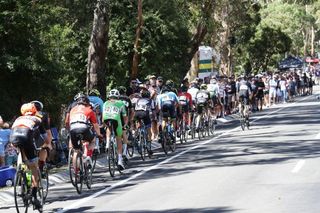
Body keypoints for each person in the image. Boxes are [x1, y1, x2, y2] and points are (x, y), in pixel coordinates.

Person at [10, 103, 46, 209]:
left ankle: (24, 176)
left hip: (14, 139)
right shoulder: (37, 119)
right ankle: (34, 195)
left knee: (25, 162)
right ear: (34, 111)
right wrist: (45, 145)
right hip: (27, 139)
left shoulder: (18, 119)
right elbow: (42, 137)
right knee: (34, 167)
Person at [65, 93, 103, 171]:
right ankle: (87, 156)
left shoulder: (72, 109)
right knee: (92, 141)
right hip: (84, 128)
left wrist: (69, 130)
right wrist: (99, 135)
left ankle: (76, 172)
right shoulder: (89, 110)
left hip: (73, 129)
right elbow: (95, 125)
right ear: (87, 103)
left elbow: (67, 121)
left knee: (76, 150)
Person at [103, 89, 128, 170]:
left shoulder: (105, 103)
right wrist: (125, 125)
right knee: (118, 140)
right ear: (117, 97)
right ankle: (120, 161)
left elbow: (103, 117)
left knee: (108, 127)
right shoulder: (121, 103)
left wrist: (104, 124)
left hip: (106, 119)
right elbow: (124, 116)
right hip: (116, 120)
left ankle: (107, 143)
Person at [31, 100, 53, 176]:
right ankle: (41, 167)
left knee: (22, 152)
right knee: (44, 148)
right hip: (37, 136)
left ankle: (20, 169)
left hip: (19, 136)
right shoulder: (42, 115)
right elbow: (47, 131)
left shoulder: (23, 116)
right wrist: (49, 144)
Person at [134, 86, 155, 155]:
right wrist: (153, 118)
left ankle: (136, 137)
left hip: (137, 113)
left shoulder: (138, 100)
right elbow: (153, 110)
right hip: (145, 113)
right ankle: (149, 147)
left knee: (138, 124)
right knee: (149, 130)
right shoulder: (150, 100)